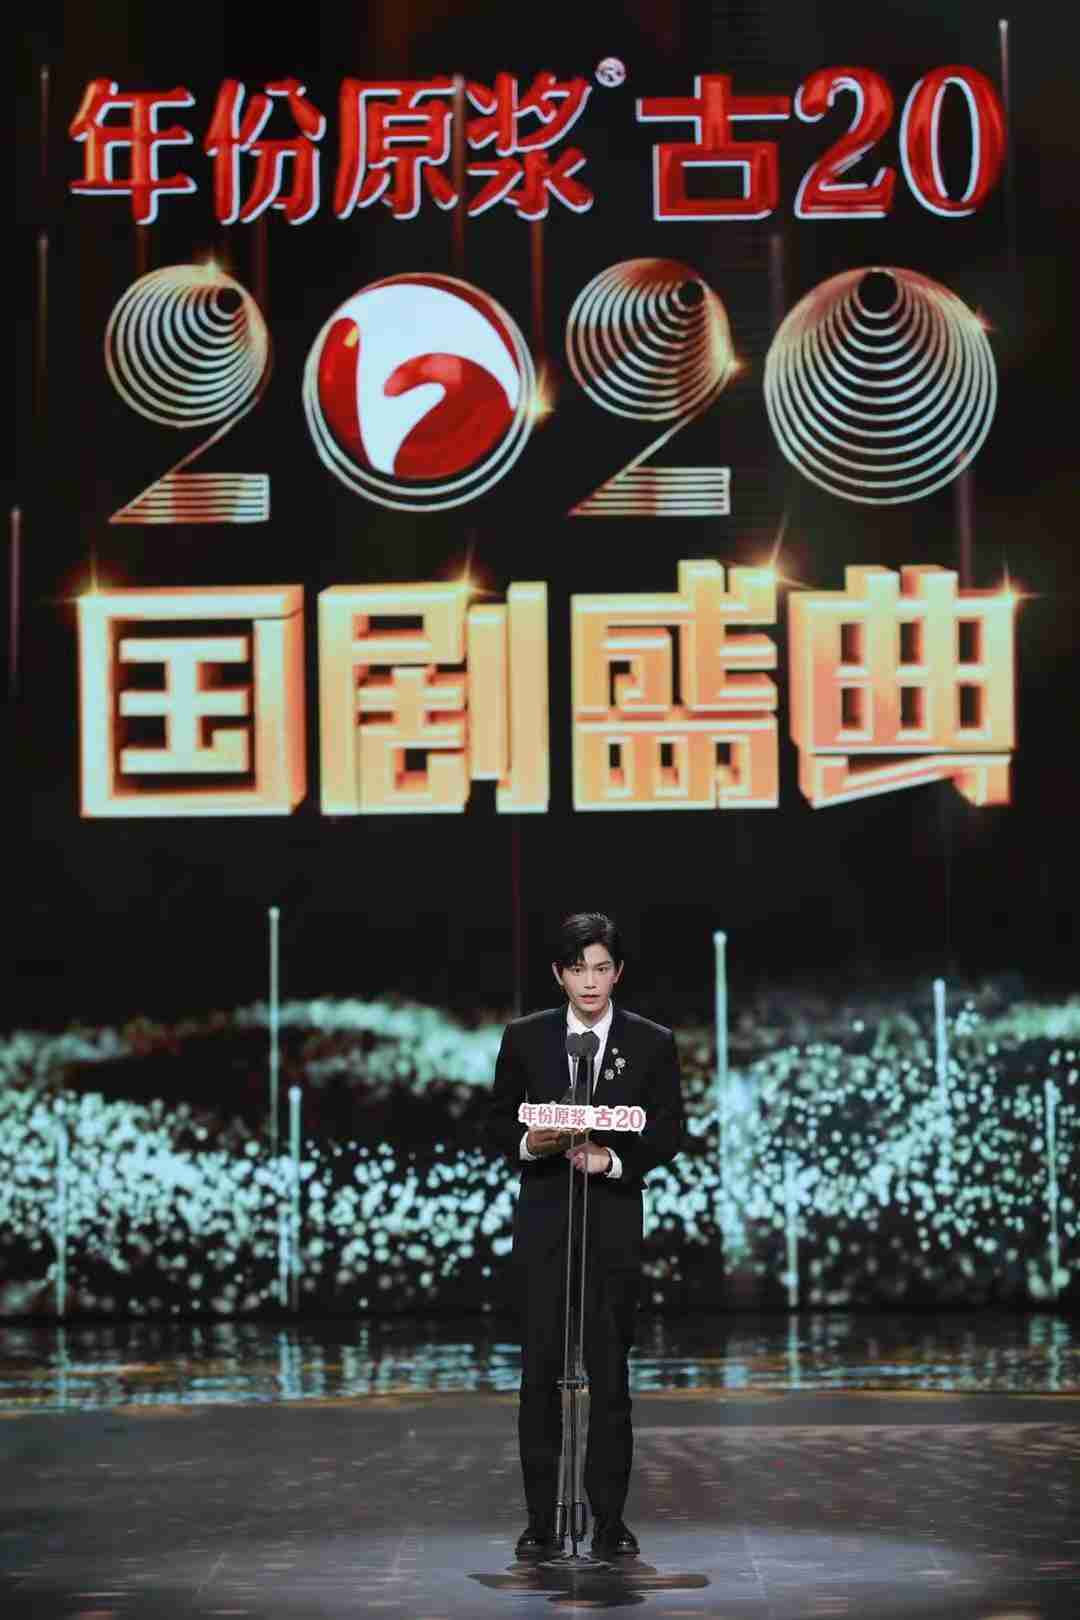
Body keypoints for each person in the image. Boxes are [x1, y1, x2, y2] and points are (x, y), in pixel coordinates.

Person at [486, 912, 686, 1558]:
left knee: (610, 1379)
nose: (590, 982)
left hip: (612, 1228)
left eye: (601, 968)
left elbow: (669, 1131)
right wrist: (532, 1142)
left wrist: (614, 1159)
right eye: (578, 970)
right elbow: (495, 1125)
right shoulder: (525, 1039)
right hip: (545, 1227)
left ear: (618, 972)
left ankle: (609, 1522)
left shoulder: (651, 1043)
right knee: (538, 1376)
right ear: (559, 974)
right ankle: (540, 1523)